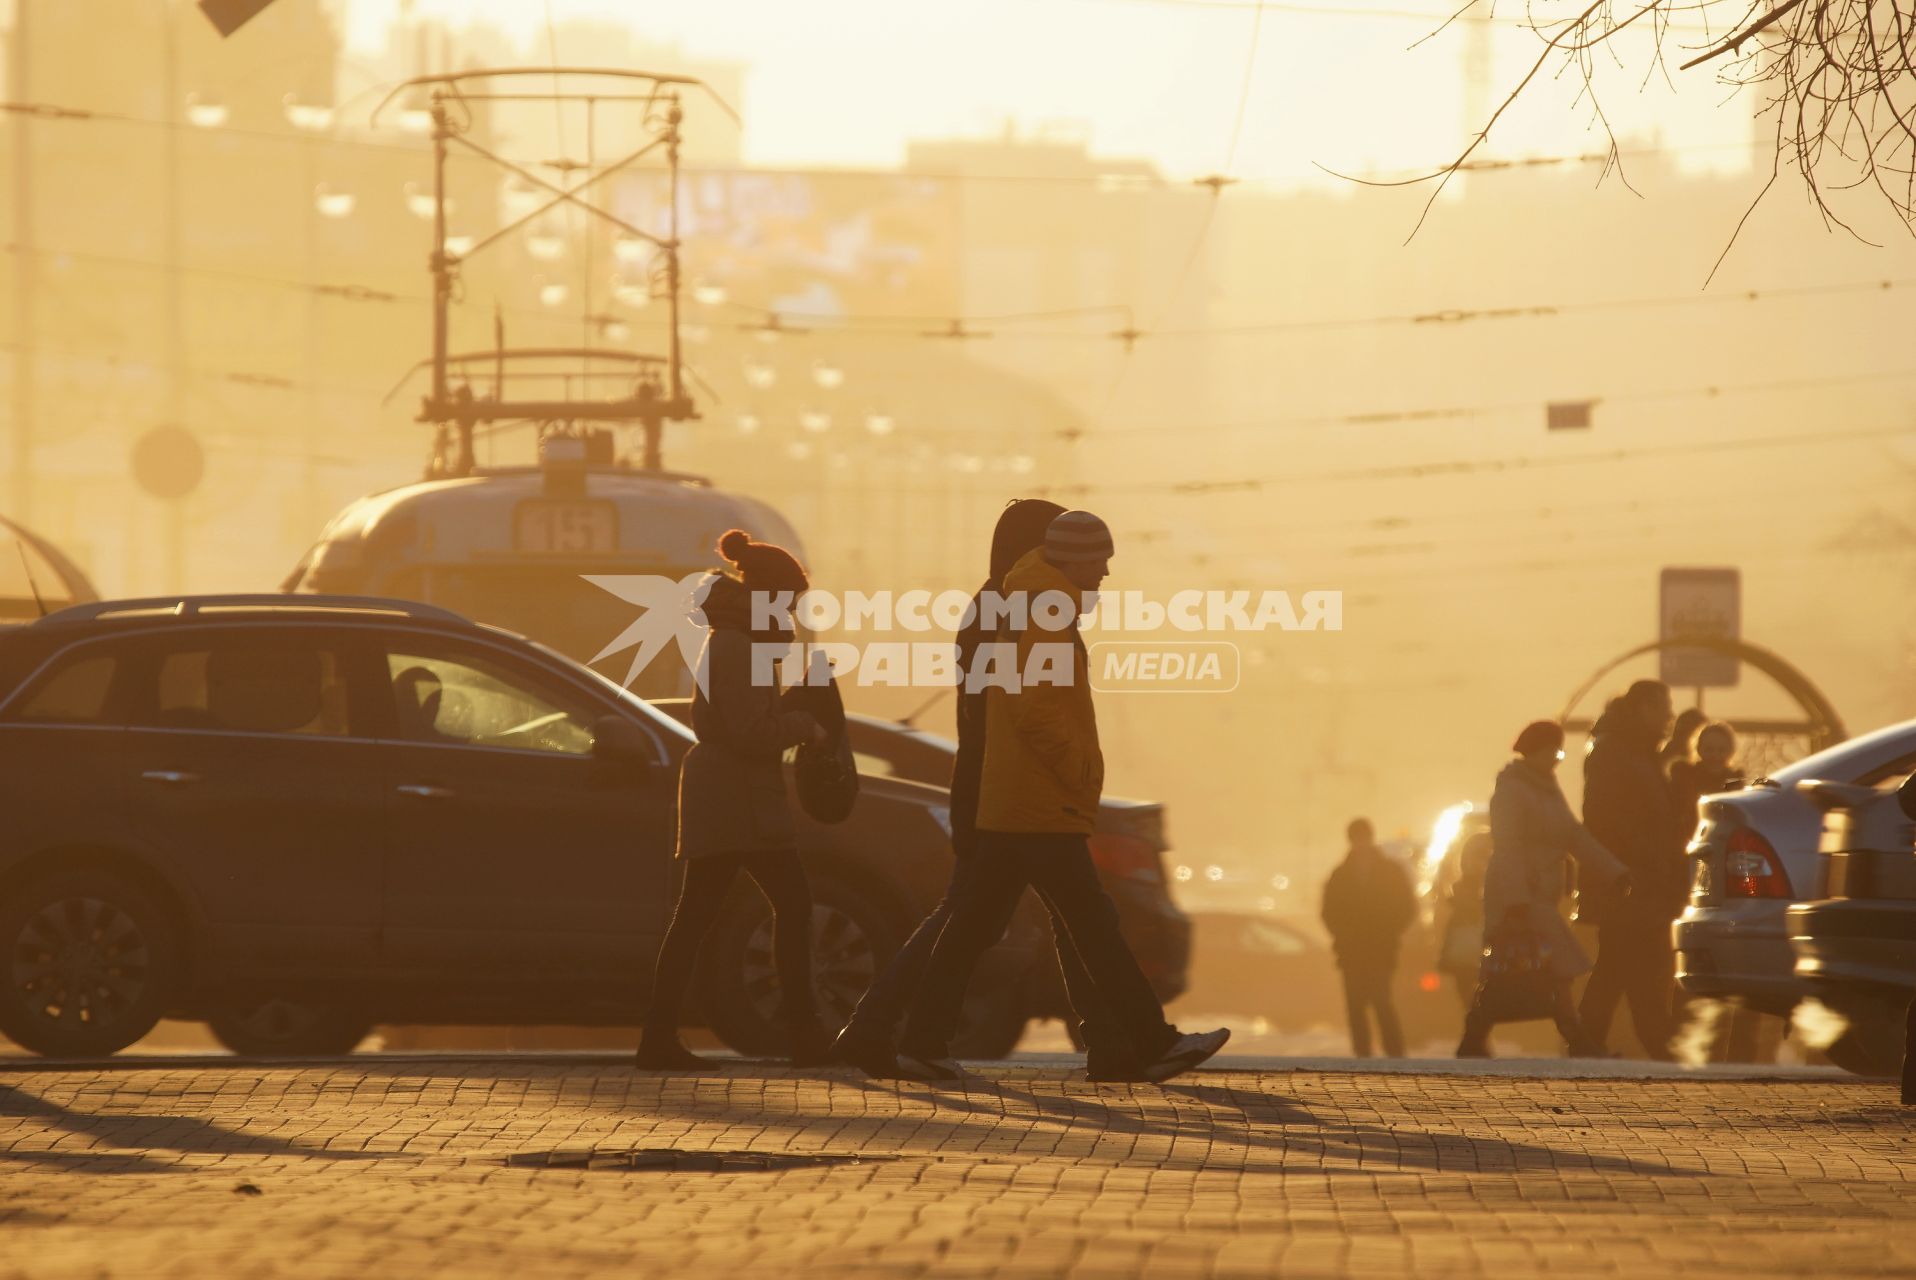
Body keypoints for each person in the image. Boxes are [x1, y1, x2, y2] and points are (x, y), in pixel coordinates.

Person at [882, 510, 1230, 1082]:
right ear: (1072, 558)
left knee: (976, 925)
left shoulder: (1032, 599)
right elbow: (1031, 704)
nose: (1107, 572)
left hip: (1016, 798)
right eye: (1101, 559)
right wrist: (1078, 769)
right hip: (1036, 801)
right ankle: (1151, 1041)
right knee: (1092, 923)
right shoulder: (1044, 606)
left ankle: (922, 1041)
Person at [832, 498, 1135, 1078]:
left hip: (1001, 781)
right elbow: (1022, 710)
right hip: (1005, 785)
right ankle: (876, 1029)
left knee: (1041, 916)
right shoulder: (1010, 609)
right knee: (993, 916)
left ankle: (1111, 1039)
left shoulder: (997, 605)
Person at [636, 529, 832, 1070]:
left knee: (696, 915)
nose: (794, 612)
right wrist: (804, 726)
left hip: (732, 797)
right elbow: (751, 732)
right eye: (790, 601)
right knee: (790, 906)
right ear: (769, 596)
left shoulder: (734, 641)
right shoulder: (738, 646)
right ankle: (805, 1034)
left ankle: (657, 1038)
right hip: (740, 800)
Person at [1458, 720, 1627, 1058]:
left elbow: (1574, 836)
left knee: (1525, 969)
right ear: (1536, 751)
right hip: (1516, 893)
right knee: (1545, 967)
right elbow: (1508, 847)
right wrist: (1517, 900)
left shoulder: (1546, 788)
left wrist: (1615, 872)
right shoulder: (1511, 790)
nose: (1558, 759)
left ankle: (1475, 1039)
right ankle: (1578, 1041)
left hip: (1539, 894)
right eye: (1554, 750)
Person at [1578, 679, 1687, 1060]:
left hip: (1640, 882)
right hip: (1628, 883)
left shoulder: (1636, 752)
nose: (1669, 717)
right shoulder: (1616, 754)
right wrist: (1644, 864)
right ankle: (1650, 1045)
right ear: (1643, 709)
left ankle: (1646, 1044)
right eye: (1663, 709)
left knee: (1627, 969)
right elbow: (1608, 822)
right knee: (1627, 968)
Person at [1320, 818, 1416, 1057]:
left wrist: (1391, 931)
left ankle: (1394, 1052)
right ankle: (1362, 1053)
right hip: (1351, 950)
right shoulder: (1341, 873)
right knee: (1355, 1004)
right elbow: (1328, 911)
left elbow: (1407, 907)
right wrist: (1341, 934)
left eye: (1363, 837)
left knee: (1381, 1000)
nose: (1360, 843)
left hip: (1381, 948)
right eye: (1356, 838)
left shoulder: (1390, 871)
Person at [1436, 830, 1493, 1006]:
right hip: (1470, 949)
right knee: (1468, 990)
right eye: (1479, 857)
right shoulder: (1462, 888)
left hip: (1484, 947)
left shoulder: (1496, 885)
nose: (1482, 863)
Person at [1669, 721, 1741, 819]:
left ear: (1731, 751)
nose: (1715, 756)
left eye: (1721, 750)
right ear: (1699, 749)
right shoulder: (1685, 776)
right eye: (1709, 749)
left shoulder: (1736, 783)